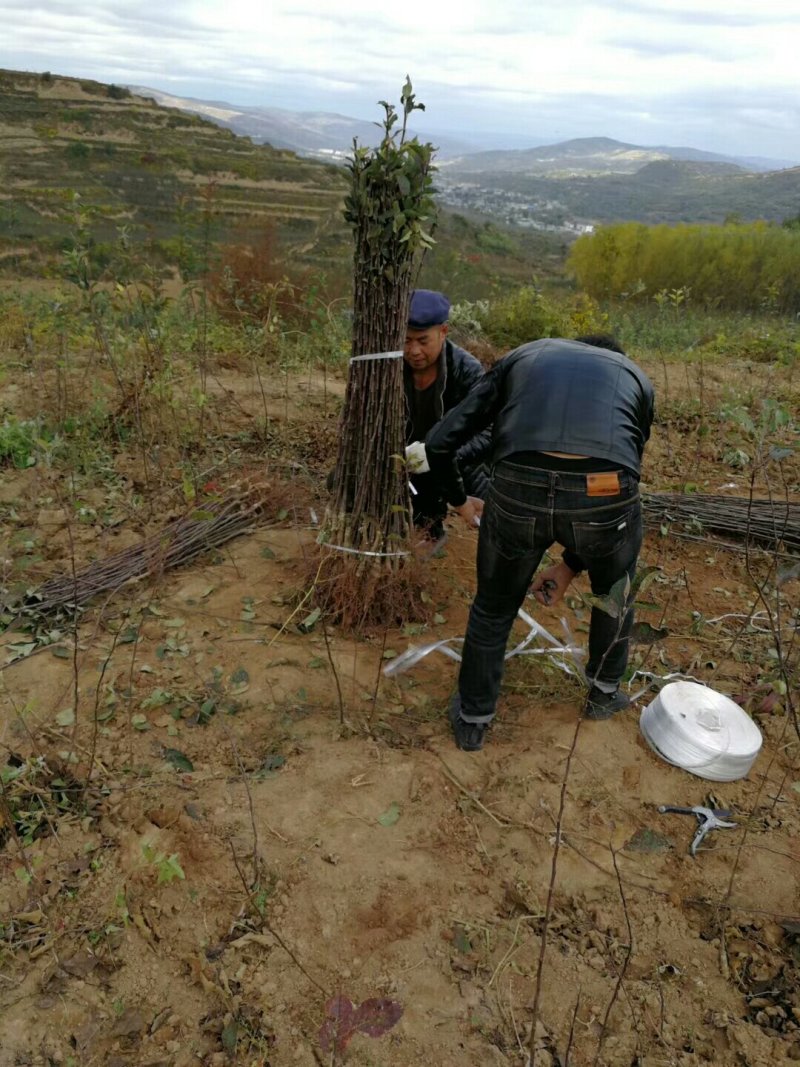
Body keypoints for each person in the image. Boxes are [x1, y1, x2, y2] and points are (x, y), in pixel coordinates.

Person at [424, 334, 655, 751]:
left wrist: (458, 500)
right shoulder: (635, 378)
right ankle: (603, 694)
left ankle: (473, 719)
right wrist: (575, 554)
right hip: (603, 491)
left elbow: (439, 443)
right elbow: (622, 470)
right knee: (615, 593)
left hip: (517, 486)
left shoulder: (525, 356)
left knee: (493, 608)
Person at [404, 290, 491, 542]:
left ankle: (432, 526)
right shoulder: (389, 366)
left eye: (422, 340)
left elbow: (488, 431)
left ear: (443, 332)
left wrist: (435, 455)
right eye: (406, 340)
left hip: (456, 460)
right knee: (340, 482)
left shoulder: (467, 371)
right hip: (404, 455)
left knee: (490, 515)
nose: (414, 350)